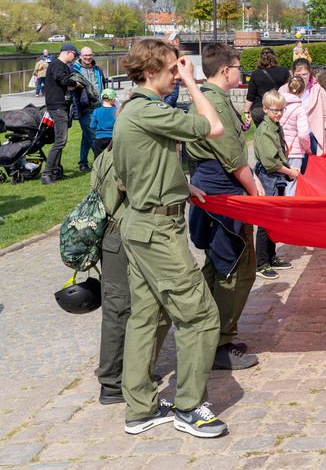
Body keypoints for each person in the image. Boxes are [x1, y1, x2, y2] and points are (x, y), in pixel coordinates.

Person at [112, 38, 227, 437]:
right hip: (158, 231)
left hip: (143, 223)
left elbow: (132, 175)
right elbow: (214, 126)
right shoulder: (148, 111)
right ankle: (189, 408)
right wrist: (196, 83)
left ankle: (140, 407)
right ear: (149, 72)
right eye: (171, 69)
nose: (177, 74)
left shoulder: (131, 111)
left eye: (179, 70)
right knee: (199, 316)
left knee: (148, 316)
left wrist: (181, 186)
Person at [186, 43, 263, 371]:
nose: (240, 70)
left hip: (210, 186)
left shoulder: (205, 98)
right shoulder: (213, 101)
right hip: (224, 190)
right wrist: (255, 191)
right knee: (235, 266)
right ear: (224, 70)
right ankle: (218, 342)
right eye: (237, 65)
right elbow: (232, 155)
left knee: (219, 265)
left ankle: (212, 333)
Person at [91, 145, 172, 405]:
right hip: (120, 234)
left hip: (117, 233)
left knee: (126, 308)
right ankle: (113, 383)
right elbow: (129, 185)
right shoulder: (122, 153)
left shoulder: (108, 151)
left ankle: (127, 374)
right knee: (119, 311)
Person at [254, 90, 300, 279]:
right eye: (275, 110)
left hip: (278, 177)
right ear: (265, 109)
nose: (279, 113)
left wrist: (289, 166)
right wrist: (289, 171)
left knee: (274, 220)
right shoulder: (265, 130)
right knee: (265, 222)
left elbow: (280, 154)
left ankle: (271, 257)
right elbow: (270, 162)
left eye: (282, 110)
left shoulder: (275, 125)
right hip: (269, 178)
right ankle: (261, 263)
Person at [42, 44, 83, 185]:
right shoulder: (57, 65)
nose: (76, 57)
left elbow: (64, 82)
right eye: (75, 54)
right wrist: (77, 84)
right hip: (57, 107)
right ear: (68, 53)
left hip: (61, 106)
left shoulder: (60, 65)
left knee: (59, 140)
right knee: (60, 140)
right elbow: (64, 81)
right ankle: (46, 173)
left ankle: (56, 171)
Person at [72, 46, 107, 172]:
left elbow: (102, 85)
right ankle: (102, 163)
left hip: (98, 108)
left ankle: (83, 164)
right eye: (85, 55)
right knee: (93, 136)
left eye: (90, 55)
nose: (88, 57)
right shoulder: (75, 69)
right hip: (84, 108)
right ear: (80, 56)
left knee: (86, 137)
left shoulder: (97, 69)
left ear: (93, 55)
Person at [292, 58, 326, 155]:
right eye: (298, 75)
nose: (302, 78)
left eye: (305, 74)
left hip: (313, 135)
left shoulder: (318, 90)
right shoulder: (285, 89)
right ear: (293, 74)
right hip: (293, 137)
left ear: (310, 73)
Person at [245, 47, 291, 127]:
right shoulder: (284, 71)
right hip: (278, 109)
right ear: (274, 57)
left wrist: (246, 112)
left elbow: (250, 96)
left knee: (262, 134)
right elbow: (290, 90)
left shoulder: (255, 74)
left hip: (259, 109)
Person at [279, 76, 312, 177]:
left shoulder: (279, 105)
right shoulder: (299, 109)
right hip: (295, 151)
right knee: (291, 182)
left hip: (279, 149)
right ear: (303, 91)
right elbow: (303, 134)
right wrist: (307, 147)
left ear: (288, 88)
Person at [91, 89, 118, 158]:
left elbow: (92, 126)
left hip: (100, 138)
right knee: (113, 159)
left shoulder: (96, 111)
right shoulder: (116, 111)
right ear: (113, 99)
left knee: (98, 159)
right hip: (113, 138)